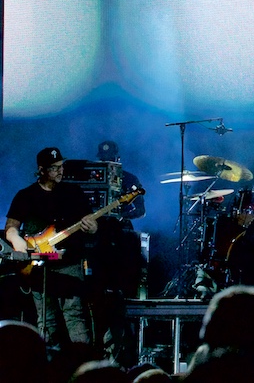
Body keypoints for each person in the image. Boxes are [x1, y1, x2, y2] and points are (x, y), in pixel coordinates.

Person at [4, 147, 98, 350]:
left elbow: (91, 224)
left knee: (74, 316)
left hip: (69, 263)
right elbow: (11, 228)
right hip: (39, 266)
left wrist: (93, 227)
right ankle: (48, 366)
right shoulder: (26, 195)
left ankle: (81, 363)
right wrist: (18, 243)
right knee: (46, 319)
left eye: (61, 166)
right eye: (55, 168)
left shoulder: (73, 193)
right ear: (42, 170)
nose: (60, 171)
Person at [89, 140, 147, 366]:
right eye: (103, 160)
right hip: (95, 240)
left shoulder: (130, 180)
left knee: (118, 301)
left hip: (120, 242)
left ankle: (124, 355)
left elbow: (140, 210)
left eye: (110, 159)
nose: (106, 163)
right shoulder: (92, 177)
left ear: (118, 159)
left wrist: (122, 214)